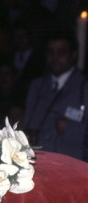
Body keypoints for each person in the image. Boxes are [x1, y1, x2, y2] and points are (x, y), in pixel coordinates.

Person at [23, 31, 87, 159]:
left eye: (61, 52)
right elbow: (27, 125)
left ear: (73, 55)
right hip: (38, 163)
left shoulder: (84, 87)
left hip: (72, 164)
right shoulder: (37, 86)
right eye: (50, 52)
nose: (55, 57)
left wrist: (71, 128)